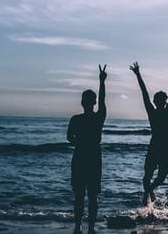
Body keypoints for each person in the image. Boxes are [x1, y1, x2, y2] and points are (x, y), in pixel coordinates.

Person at [129, 61, 168, 205]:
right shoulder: (154, 111)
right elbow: (145, 93)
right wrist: (138, 75)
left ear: (163, 102)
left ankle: (148, 191)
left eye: (162, 100)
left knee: (159, 177)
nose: (160, 101)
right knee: (149, 175)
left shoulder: (166, 111)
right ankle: (148, 193)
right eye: (159, 100)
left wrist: (138, 74)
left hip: (163, 147)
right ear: (156, 101)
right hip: (158, 146)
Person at [67, 64, 107, 234]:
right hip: (92, 158)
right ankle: (89, 228)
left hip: (82, 157)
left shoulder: (78, 119)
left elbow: (69, 137)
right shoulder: (97, 117)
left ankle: (79, 227)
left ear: (83, 102)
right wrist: (102, 81)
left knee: (81, 196)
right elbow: (103, 100)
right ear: (92, 102)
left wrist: (78, 142)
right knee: (91, 196)